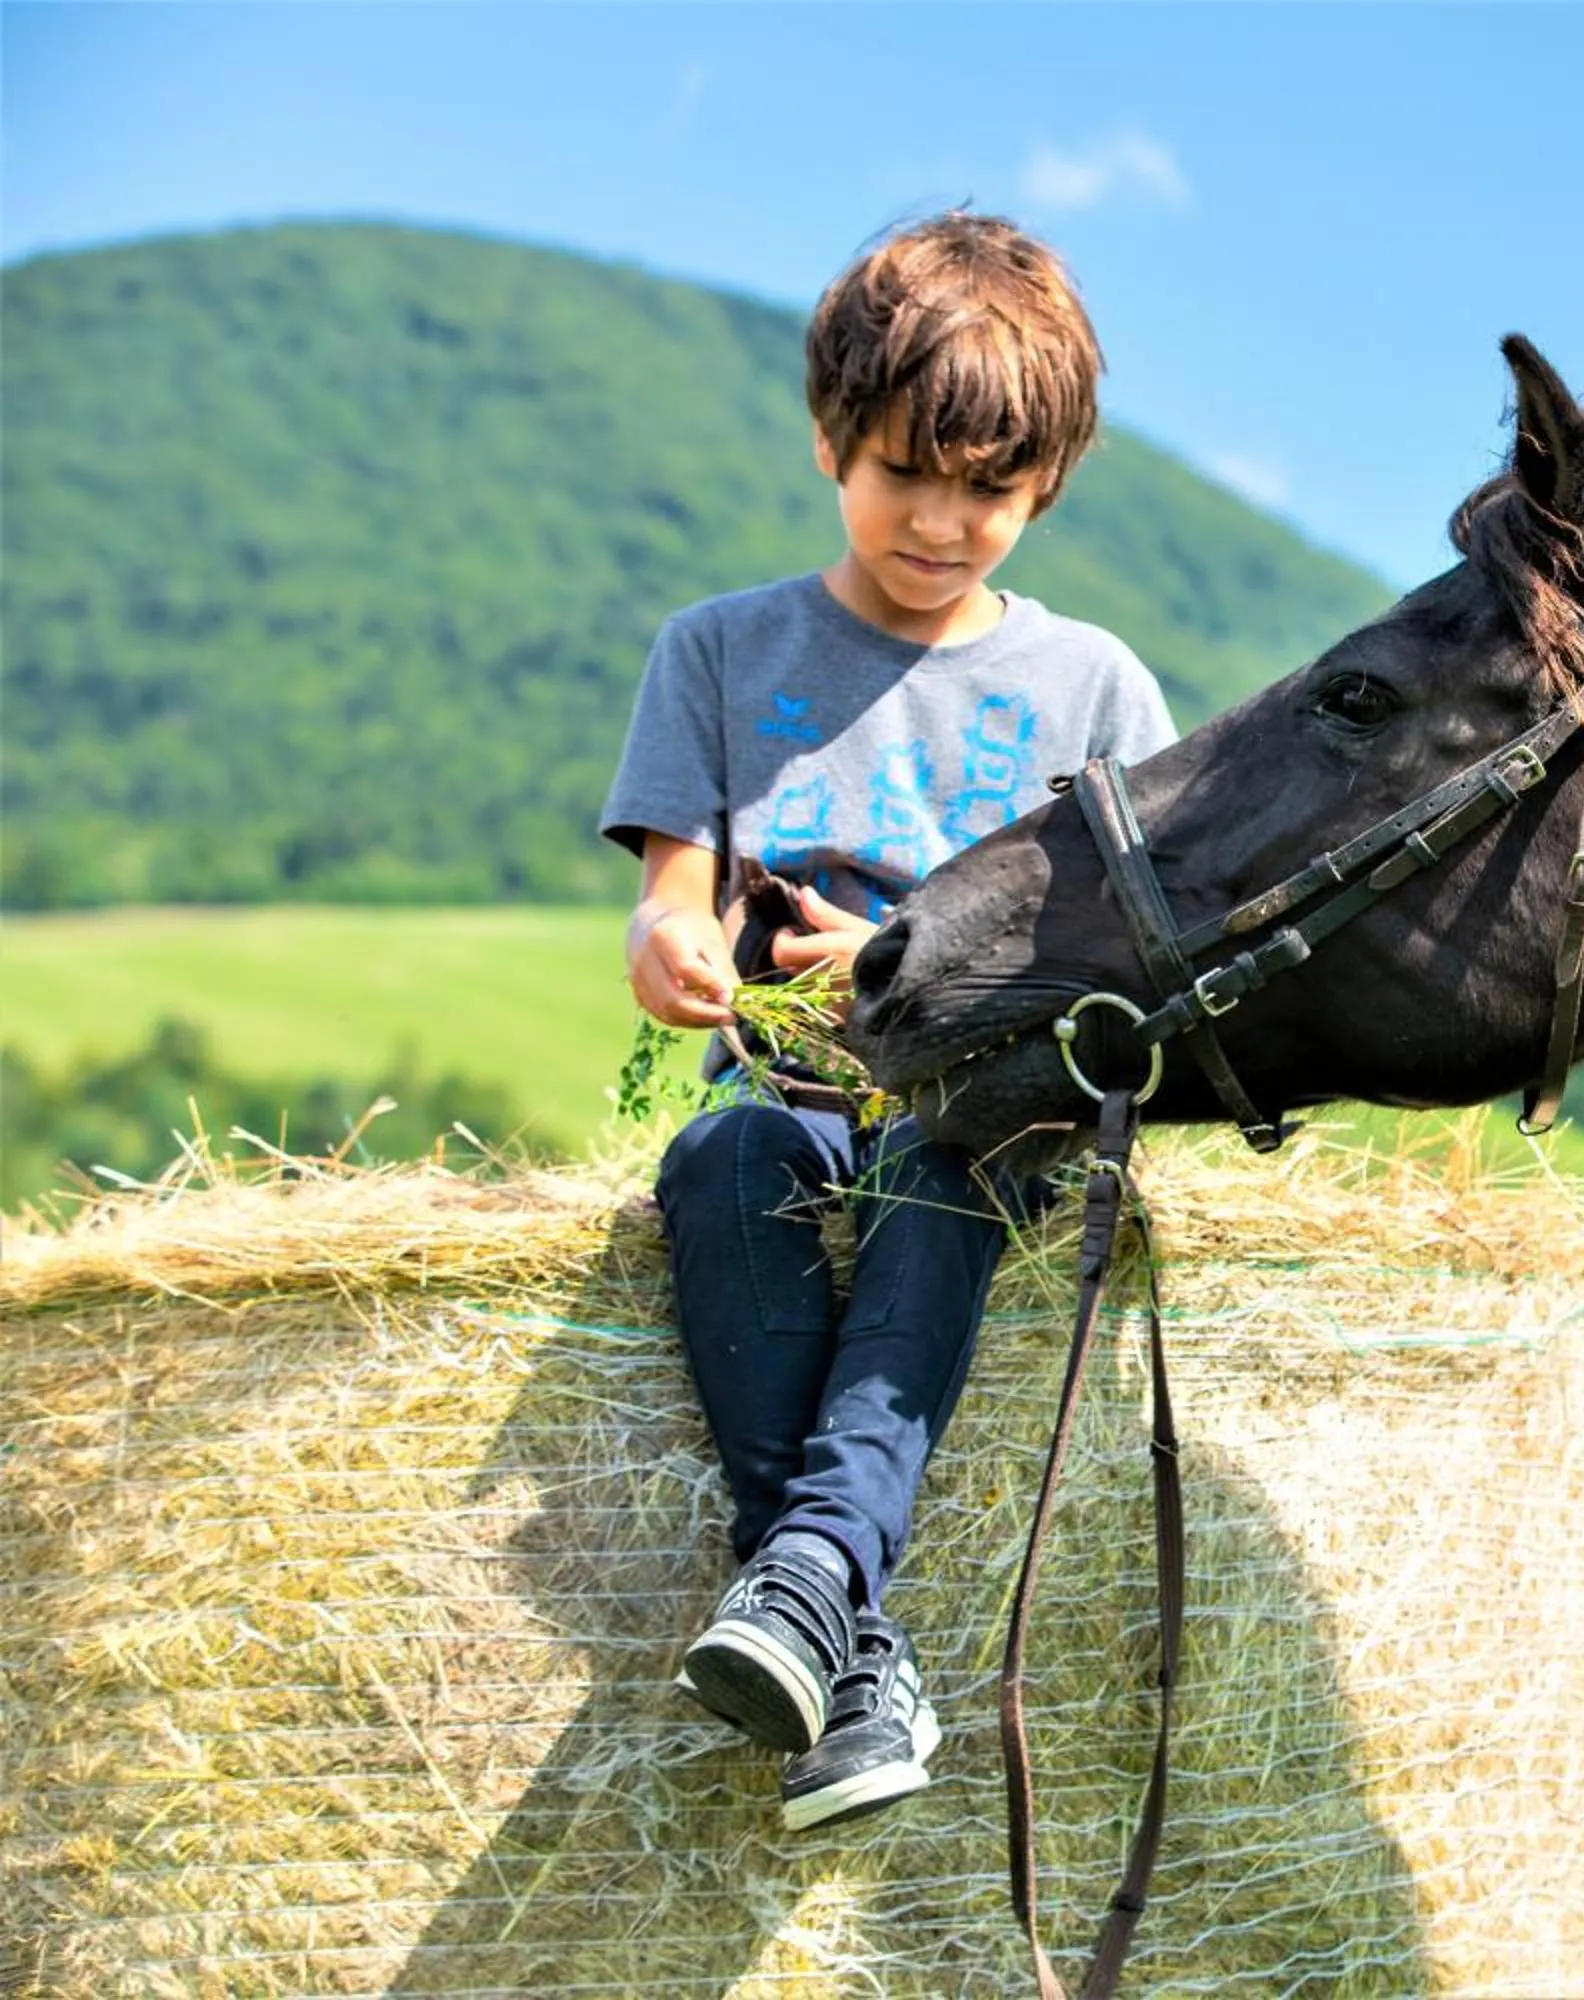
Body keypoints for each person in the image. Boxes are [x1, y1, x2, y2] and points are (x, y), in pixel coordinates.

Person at [597, 210, 1176, 1830]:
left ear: (1044, 484)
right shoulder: (719, 651)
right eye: (905, 473)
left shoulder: (1099, 693)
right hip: (779, 1082)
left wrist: (912, 966)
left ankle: (803, 1584)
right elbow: (675, 891)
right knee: (723, 1169)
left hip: (977, 1101)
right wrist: (672, 944)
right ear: (828, 442)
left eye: (989, 490)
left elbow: (1123, 971)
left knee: (939, 1177)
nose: (942, 521)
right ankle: (842, 1643)